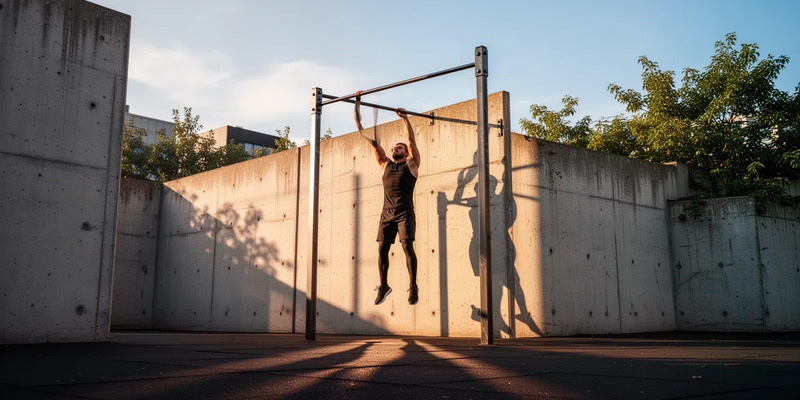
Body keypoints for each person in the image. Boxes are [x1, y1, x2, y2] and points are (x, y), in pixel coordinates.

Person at [354, 91, 420, 305]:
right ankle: (383, 285)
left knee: (407, 247)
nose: (395, 149)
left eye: (398, 147)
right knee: (382, 248)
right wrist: (357, 105)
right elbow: (370, 140)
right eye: (394, 147)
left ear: (406, 153)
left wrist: (405, 119)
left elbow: (411, 141)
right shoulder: (385, 165)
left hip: (404, 213)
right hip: (387, 214)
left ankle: (413, 286)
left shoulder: (411, 165)